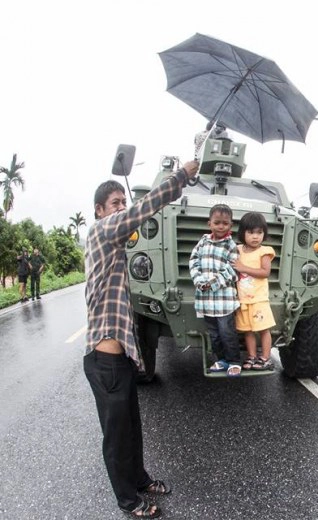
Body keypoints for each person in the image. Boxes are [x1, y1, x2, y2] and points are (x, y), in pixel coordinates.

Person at [84, 158, 199, 518]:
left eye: (123, 202)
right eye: (115, 204)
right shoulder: (102, 231)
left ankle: (141, 479)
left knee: (132, 429)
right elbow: (144, 209)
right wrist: (182, 174)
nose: (122, 208)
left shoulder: (116, 248)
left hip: (119, 361)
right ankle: (128, 500)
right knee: (116, 438)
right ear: (100, 211)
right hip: (105, 361)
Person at [189, 203, 242, 376]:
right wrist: (198, 279)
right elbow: (193, 260)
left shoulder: (230, 245)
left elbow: (233, 270)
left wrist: (212, 283)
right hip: (205, 300)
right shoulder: (203, 242)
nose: (221, 226)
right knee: (214, 334)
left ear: (230, 225)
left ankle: (234, 360)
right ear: (209, 223)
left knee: (227, 332)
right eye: (217, 222)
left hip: (224, 300)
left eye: (225, 223)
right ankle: (222, 359)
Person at [233, 212, 276, 371]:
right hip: (243, 300)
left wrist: (243, 268)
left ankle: (265, 358)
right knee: (248, 331)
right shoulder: (238, 250)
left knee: (263, 329)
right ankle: (251, 356)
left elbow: (265, 272)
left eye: (259, 232)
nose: (255, 236)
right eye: (251, 232)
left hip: (258, 299)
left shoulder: (264, 251)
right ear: (243, 233)